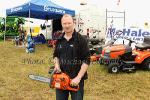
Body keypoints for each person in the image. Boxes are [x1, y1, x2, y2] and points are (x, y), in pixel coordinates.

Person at [53, 14, 90, 100]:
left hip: (76, 79)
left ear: (73, 23)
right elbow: (55, 56)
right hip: (61, 78)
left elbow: (87, 59)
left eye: (69, 23)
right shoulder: (59, 39)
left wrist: (78, 78)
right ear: (62, 24)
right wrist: (57, 66)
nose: (67, 25)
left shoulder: (81, 40)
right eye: (64, 23)